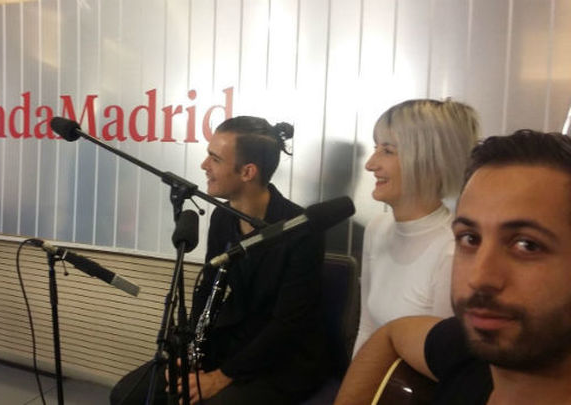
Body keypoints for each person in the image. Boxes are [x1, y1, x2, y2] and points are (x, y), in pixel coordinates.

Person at [335, 130, 571, 405]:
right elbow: (391, 333)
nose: (479, 278)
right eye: (470, 239)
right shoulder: (464, 352)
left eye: (527, 245)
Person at [110, 116, 329, 405]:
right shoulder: (223, 216)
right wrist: (187, 353)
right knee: (127, 396)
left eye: (215, 159)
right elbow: (208, 288)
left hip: (281, 359)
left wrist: (222, 376)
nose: (204, 165)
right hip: (230, 342)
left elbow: (288, 323)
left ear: (247, 172)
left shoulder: (300, 228)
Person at [353, 99, 480, 354]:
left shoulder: (451, 252)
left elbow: (443, 360)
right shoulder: (377, 229)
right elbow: (367, 329)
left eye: (387, 151)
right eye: (376, 148)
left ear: (429, 161)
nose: (370, 164)